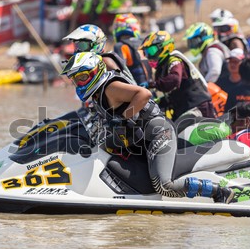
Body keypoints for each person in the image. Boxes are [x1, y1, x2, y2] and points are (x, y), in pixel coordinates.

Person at [61, 51, 235, 203]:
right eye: (76, 79)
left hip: (159, 134)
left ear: (95, 72)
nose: (79, 82)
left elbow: (143, 93)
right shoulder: (98, 93)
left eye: (82, 77)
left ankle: (219, 191)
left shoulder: (110, 88)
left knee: (164, 185)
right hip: (141, 140)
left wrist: (123, 118)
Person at [141, 30, 216, 122]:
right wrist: (159, 102)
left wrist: (151, 84)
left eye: (151, 51)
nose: (149, 56)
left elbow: (174, 80)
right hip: (185, 108)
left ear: (163, 47)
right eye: (146, 53)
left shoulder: (174, 60)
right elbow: (175, 92)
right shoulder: (163, 66)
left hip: (198, 106)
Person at [63, 24, 133, 82]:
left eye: (82, 45)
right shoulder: (91, 64)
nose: (78, 50)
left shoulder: (105, 61)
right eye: (76, 46)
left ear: (96, 44)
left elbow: (124, 83)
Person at [111, 13, 149, 87]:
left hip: (134, 90)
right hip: (149, 87)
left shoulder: (120, 46)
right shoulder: (143, 42)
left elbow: (120, 69)